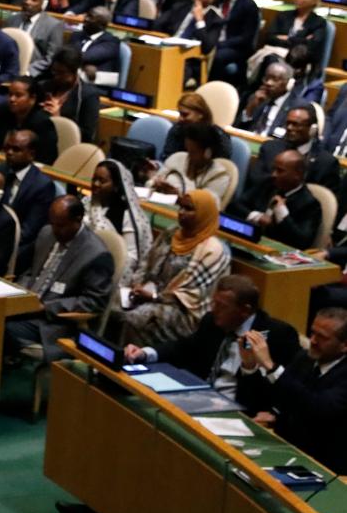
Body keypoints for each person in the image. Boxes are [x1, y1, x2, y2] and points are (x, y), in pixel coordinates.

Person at [124, 274, 298, 414]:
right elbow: (184, 347)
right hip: (198, 397)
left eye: (221, 306)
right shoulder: (212, 322)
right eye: (214, 303)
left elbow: (285, 387)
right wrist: (145, 353)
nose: (213, 310)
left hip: (236, 411)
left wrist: (275, 413)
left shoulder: (278, 335)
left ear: (245, 310)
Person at [5, 195, 115, 361]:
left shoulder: (96, 254)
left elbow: (93, 302)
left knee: (0, 328)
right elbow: (31, 273)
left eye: (61, 225)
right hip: (25, 305)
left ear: (77, 220)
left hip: (52, 321)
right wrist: (20, 293)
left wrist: (46, 307)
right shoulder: (47, 233)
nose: (55, 230)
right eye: (52, 223)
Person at [240, 307, 347, 474]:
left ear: (344, 345)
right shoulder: (305, 359)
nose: (313, 340)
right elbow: (276, 396)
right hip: (286, 449)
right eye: (313, 333)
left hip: (325, 466)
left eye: (323, 337)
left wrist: (270, 366)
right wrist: (249, 365)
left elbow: (319, 407)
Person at [122, 190, 231, 346]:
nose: (181, 212)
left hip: (185, 314)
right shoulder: (171, 233)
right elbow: (146, 263)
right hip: (150, 294)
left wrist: (153, 297)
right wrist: (136, 285)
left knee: (137, 318)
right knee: (112, 303)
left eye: (188, 209)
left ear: (203, 213)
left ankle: (128, 364)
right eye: (180, 207)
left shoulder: (215, 250)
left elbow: (191, 297)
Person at [228, 149, 323, 251]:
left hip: (277, 252)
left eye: (280, 171)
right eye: (274, 169)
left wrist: (282, 213)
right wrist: (257, 217)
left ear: (297, 174)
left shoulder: (310, 204)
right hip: (250, 242)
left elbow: (302, 241)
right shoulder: (268, 183)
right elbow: (234, 206)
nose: (274, 174)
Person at [87, 159, 152, 290]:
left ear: (117, 186)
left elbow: (130, 258)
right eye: (94, 179)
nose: (96, 184)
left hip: (106, 273)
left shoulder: (126, 214)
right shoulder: (86, 202)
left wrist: (114, 287)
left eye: (102, 181)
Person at [1, 129, 58, 271]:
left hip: (19, 246)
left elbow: (29, 230)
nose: (9, 153)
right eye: (7, 148)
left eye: (16, 149)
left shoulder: (42, 185)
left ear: (31, 154)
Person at [149, 122, 234, 202]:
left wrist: (179, 197)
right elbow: (151, 182)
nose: (188, 156)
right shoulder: (177, 157)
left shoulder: (219, 175)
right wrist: (155, 183)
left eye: (193, 152)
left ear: (208, 152)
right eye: (187, 149)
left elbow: (207, 205)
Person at [0, 76, 57, 166]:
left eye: (18, 95)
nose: (12, 99)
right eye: (10, 94)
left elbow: (46, 159)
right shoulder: (4, 113)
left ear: (32, 99)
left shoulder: (43, 123)